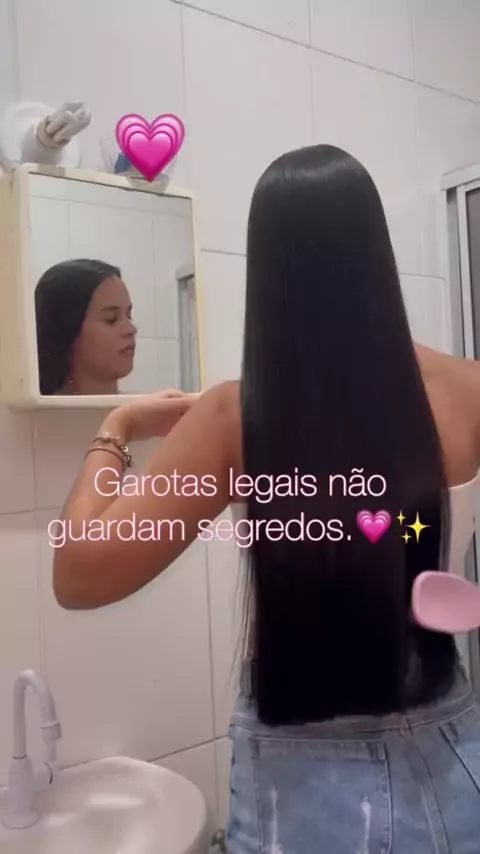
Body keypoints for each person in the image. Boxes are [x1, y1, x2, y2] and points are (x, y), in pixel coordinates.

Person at [52, 145, 480, 851]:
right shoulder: (469, 388)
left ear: (269, 272)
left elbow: (77, 572)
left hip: (304, 783)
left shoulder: (234, 420)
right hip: (455, 754)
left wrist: (116, 429)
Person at [34, 258, 137, 395]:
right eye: (111, 319)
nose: (131, 329)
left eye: (128, 316)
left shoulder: (152, 406)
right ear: (67, 329)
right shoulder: (31, 408)